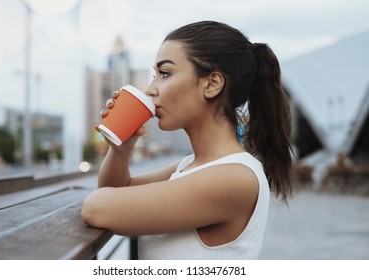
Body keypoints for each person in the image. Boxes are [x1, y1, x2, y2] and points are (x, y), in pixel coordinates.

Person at [81, 20, 293, 260]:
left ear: (212, 84)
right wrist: (120, 150)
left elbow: (96, 207)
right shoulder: (190, 166)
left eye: (164, 73)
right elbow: (116, 192)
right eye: (154, 75)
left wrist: (105, 200)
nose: (151, 89)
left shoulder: (234, 178)